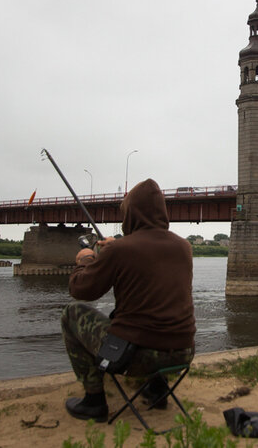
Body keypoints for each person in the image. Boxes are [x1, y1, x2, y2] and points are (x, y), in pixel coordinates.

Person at [61, 178, 196, 422]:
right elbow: (145, 259)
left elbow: (82, 290)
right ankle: (158, 390)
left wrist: (86, 260)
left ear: (130, 213)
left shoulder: (121, 250)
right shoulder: (184, 247)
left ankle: (93, 401)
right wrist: (117, 247)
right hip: (183, 354)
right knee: (158, 314)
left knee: (71, 313)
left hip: (138, 358)